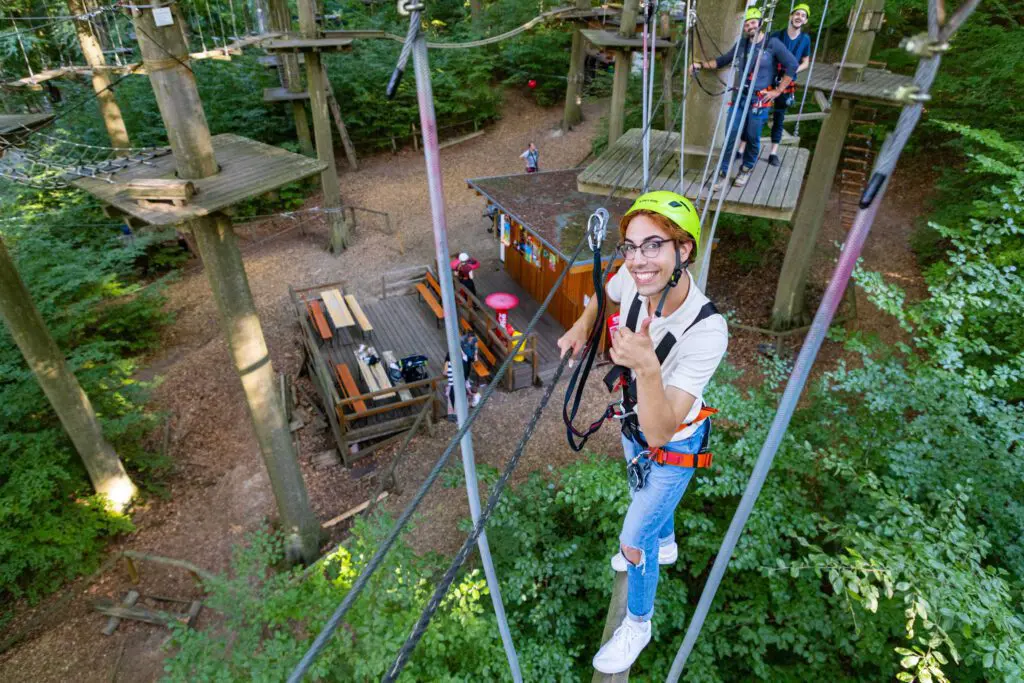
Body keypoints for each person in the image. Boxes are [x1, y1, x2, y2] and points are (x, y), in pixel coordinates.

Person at [557, 191, 728, 674]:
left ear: (684, 250)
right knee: (644, 502)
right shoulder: (633, 281)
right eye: (630, 247)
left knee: (634, 539)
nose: (637, 260)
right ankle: (665, 539)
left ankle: (639, 621)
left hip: (672, 441)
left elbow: (662, 432)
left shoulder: (707, 329)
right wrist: (580, 325)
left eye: (653, 245)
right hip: (632, 418)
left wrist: (648, 367)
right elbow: (600, 293)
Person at [691, 7, 798, 191]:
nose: (750, 26)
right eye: (747, 24)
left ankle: (746, 168)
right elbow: (722, 60)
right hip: (740, 98)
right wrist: (700, 65)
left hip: (759, 99)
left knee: (752, 136)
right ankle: (723, 172)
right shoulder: (742, 44)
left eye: (753, 22)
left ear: (760, 23)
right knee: (731, 134)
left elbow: (792, 65)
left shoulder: (772, 44)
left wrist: (778, 91)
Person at [736, 4, 812, 166]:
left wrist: (791, 70)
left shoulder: (805, 39)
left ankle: (773, 152)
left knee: (779, 116)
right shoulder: (777, 36)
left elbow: (806, 62)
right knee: (753, 113)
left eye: (803, 15)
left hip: (786, 81)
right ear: (791, 16)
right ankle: (741, 148)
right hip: (770, 79)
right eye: (797, 14)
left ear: (805, 20)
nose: (799, 17)